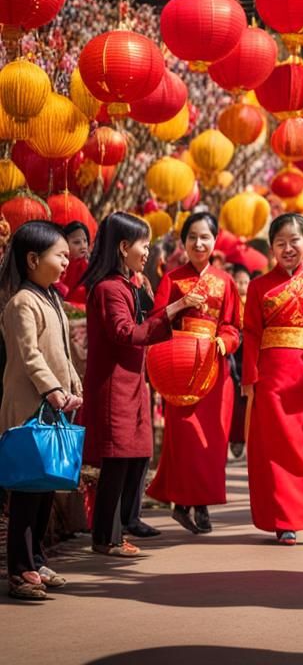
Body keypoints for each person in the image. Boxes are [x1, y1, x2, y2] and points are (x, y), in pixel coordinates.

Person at [80, 212, 197, 556]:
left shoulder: (128, 284)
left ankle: (114, 532)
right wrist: (173, 309)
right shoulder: (109, 289)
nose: (148, 251)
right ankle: (106, 538)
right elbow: (125, 333)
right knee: (116, 460)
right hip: (114, 384)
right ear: (123, 246)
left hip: (130, 382)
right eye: (143, 244)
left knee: (132, 457)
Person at [242, 214, 303, 545]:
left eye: (294, 241)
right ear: (272, 248)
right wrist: (249, 377)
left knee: (301, 450)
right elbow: (252, 335)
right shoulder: (258, 286)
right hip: (270, 377)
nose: (288, 248)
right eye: (280, 243)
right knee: (272, 448)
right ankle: (279, 518)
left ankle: (294, 517)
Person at [0, 222, 83, 600]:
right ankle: (19, 570)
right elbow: (29, 354)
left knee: (46, 486)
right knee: (26, 492)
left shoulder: (51, 298)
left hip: (53, 406)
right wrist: (52, 389)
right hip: (29, 407)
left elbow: (62, 354)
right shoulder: (21, 302)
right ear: (33, 259)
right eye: (60, 254)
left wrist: (73, 386)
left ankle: (36, 559)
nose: (67, 261)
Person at [146, 213, 240, 535]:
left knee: (210, 440)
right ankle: (185, 503)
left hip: (214, 367)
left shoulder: (225, 282)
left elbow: (233, 326)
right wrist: (182, 304)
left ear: (215, 241)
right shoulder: (171, 279)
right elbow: (156, 320)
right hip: (180, 368)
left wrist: (224, 342)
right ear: (183, 242)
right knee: (185, 437)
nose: (199, 244)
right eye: (192, 238)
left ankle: (201, 504)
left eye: (205, 237)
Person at [227, 263, 253, 458]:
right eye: (238, 282)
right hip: (232, 354)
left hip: (248, 356)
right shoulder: (229, 302)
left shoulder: (253, 303)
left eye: (245, 282)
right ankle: (234, 438)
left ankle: (245, 439)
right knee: (234, 401)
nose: (242, 286)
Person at [54, 221, 90, 307]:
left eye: (85, 241)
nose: (83, 246)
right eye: (77, 242)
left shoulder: (89, 267)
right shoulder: (57, 264)